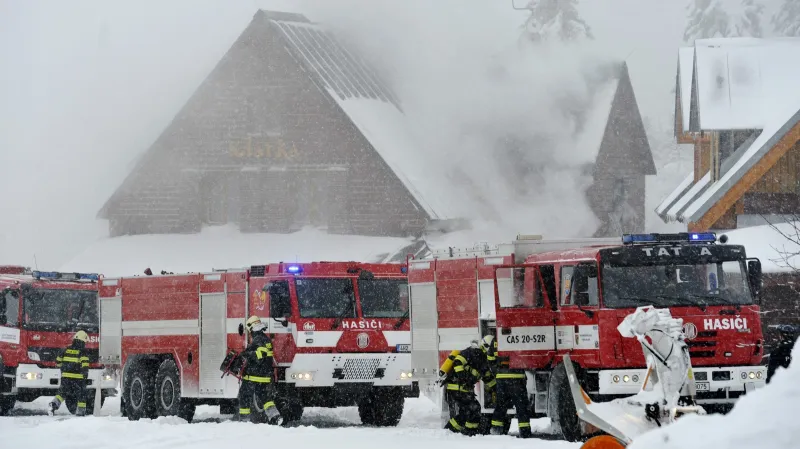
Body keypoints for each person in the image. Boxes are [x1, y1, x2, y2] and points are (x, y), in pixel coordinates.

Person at [442, 335, 496, 436]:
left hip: (464, 389)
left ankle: (461, 431)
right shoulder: (472, 352)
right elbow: (458, 363)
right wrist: (464, 379)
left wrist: (497, 389)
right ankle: (464, 432)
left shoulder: (484, 360)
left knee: (469, 411)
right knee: (473, 409)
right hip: (456, 387)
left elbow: (487, 378)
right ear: (486, 346)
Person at [237, 315, 282, 425]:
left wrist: (246, 354)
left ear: (252, 328)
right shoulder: (265, 339)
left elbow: (259, 356)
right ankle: (275, 417)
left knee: (244, 396)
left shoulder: (259, 340)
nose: (250, 333)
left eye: (250, 330)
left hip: (254, 376)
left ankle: (244, 420)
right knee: (265, 397)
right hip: (264, 376)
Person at [489, 342, 533, 438]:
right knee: (521, 407)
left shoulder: (496, 341)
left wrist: (496, 371)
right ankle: (525, 433)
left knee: (500, 406)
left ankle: (496, 430)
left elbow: (490, 359)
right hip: (517, 379)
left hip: (501, 379)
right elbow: (528, 357)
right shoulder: (518, 338)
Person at [48, 330, 90, 416]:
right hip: (78, 378)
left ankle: (53, 405)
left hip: (65, 378)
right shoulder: (82, 352)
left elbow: (58, 361)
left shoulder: (66, 349)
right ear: (82, 341)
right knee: (81, 394)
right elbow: (85, 365)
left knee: (62, 394)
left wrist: (63, 369)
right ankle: (80, 412)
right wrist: (85, 376)